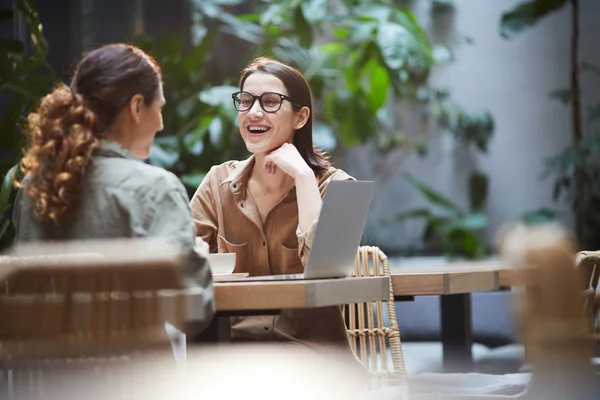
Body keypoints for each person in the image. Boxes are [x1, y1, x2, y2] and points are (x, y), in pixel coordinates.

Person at [12, 43, 214, 334]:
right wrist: (197, 259)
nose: (159, 124)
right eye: (158, 109)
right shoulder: (155, 188)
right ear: (135, 107)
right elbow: (194, 313)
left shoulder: (36, 186)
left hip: (45, 377)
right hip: (132, 377)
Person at [189, 57, 363, 367]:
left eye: (270, 102)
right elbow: (180, 264)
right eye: (245, 101)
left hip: (313, 364)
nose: (253, 112)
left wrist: (304, 178)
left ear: (300, 117)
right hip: (229, 363)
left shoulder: (340, 187)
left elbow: (329, 276)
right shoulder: (217, 183)